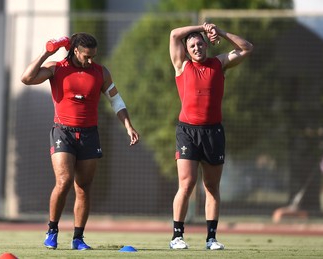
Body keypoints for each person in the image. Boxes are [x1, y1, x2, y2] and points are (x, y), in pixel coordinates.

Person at [21, 33, 139, 250]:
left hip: (89, 134)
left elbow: (116, 100)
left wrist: (128, 125)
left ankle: (78, 238)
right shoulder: (57, 68)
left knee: (83, 187)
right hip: (62, 132)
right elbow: (27, 78)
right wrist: (47, 52)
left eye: (93, 56)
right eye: (87, 56)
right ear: (75, 50)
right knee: (64, 181)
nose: (90, 60)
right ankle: (52, 231)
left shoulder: (101, 72)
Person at [168, 22, 253, 250]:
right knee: (186, 184)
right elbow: (175, 34)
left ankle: (211, 238)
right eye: (192, 46)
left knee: (212, 187)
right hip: (187, 131)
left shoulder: (219, 63)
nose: (196, 48)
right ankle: (177, 236)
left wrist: (221, 32)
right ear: (187, 51)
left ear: (206, 45)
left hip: (213, 132)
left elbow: (247, 48)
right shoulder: (182, 65)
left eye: (199, 44)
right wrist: (201, 27)